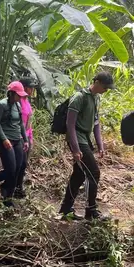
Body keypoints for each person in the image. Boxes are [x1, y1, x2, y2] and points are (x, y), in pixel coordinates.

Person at [59, 72, 115, 221]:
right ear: (96, 82)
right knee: (93, 173)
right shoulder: (79, 98)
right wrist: (76, 148)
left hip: (85, 139)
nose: (106, 90)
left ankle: (66, 209)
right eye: (105, 86)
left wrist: (100, 145)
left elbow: (96, 124)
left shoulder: (96, 98)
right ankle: (91, 211)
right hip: (77, 138)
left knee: (79, 174)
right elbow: (70, 125)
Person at [0, 81, 29, 207]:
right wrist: (4, 139)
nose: (20, 97)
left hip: (17, 140)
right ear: (11, 93)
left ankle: (8, 196)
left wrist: (25, 139)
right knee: (11, 169)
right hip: (6, 141)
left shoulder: (18, 105)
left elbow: (21, 123)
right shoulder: (1, 105)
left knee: (20, 167)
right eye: (18, 95)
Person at [14, 77, 36, 198]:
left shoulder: (27, 101)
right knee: (19, 163)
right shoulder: (19, 102)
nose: (32, 89)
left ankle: (19, 186)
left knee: (24, 164)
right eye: (29, 87)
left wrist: (30, 137)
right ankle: (14, 186)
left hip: (27, 136)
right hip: (19, 136)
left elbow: (29, 122)